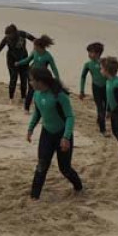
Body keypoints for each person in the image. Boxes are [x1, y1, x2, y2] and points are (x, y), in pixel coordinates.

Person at [26, 68, 83, 200]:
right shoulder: (37, 94)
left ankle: (78, 187)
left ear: (40, 81)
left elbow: (70, 117)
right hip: (46, 134)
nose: (30, 82)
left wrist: (66, 137)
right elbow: (38, 112)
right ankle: (34, 197)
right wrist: (30, 129)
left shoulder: (59, 95)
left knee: (65, 168)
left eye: (32, 80)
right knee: (41, 166)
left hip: (62, 135)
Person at [0, 24, 36, 105]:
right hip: (11, 61)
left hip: (24, 59)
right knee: (13, 78)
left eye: (9, 35)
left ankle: (23, 97)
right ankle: (11, 98)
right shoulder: (6, 39)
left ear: (14, 32)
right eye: (7, 35)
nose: (8, 37)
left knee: (24, 78)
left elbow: (34, 39)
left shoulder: (22, 34)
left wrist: (37, 49)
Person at [16, 35, 60, 112]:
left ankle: (39, 109)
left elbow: (54, 68)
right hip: (32, 73)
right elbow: (27, 60)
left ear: (39, 46)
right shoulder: (34, 53)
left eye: (35, 46)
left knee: (40, 92)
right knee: (31, 90)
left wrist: (57, 78)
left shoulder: (48, 56)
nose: (34, 47)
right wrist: (18, 63)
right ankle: (26, 109)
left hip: (42, 76)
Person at [79, 42, 108, 136]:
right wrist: (81, 90)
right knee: (100, 108)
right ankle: (103, 130)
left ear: (99, 53)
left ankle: (100, 119)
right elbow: (83, 77)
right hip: (96, 88)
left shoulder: (105, 63)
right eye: (89, 52)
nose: (89, 54)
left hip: (107, 88)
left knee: (108, 107)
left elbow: (111, 75)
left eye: (92, 52)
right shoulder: (87, 64)